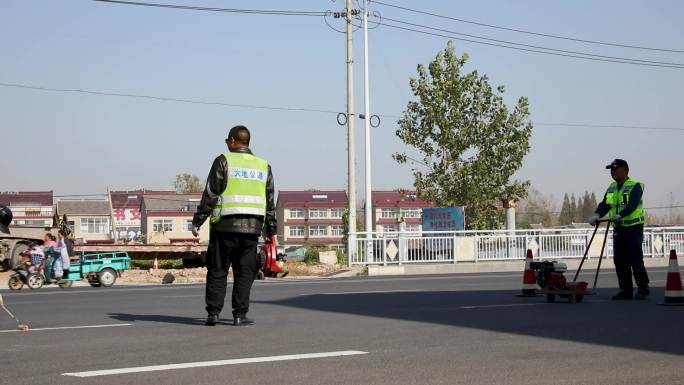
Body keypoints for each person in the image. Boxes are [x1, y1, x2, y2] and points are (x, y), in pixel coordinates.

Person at [192, 125, 277, 326]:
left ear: (232, 141)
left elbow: (211, 193)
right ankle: (239, 315)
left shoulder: (223, 160)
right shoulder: (263, 166)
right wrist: (271, 230)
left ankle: (213, 313)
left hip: (224, 228)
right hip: (251, 230)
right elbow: (269, 200)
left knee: (217, 270)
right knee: (245, 272)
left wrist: (198, 220)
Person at [588, 159, 649, 300]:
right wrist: (596, 214)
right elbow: (605, 204)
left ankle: (643, 288)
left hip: (633, 228)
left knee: (635, 259)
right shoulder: (611, 187)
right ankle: (626, 289)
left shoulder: (635, 186)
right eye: (611, 170)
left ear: (625, 170)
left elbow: (632, 205)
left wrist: (621, 214)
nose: (613, 172)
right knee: (619, 260)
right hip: (619, 228)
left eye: (616, 169)